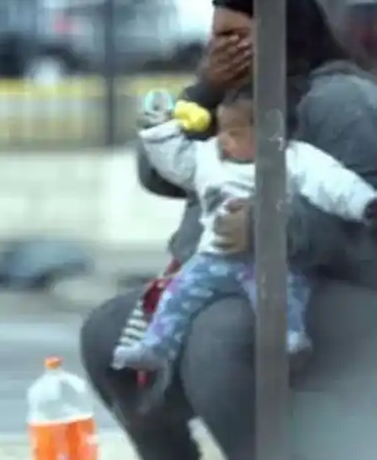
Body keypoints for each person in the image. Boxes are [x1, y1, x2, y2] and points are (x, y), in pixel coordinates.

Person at [79, 0, 377, 460]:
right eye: (214, 38)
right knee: (107, 332)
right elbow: (158, 173)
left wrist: (273, 228)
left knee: (218, 337)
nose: (221, 51)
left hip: (330, 291)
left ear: (283, 35)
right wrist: (203, 91)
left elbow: (366, 221)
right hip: (221, 275)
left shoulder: (341, 102)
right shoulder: (232, 100)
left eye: (236, 37)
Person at [113, 88, 377, 375]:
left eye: (234, 133)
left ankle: (290, 338)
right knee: (177, 295)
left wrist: (365, 204)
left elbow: (334, 184)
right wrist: (160, 128)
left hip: (269, 259)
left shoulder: (296, 160)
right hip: (214, 258)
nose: (222, 140)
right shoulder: (208, 159)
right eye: (221, 130)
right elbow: (175, 161)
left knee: (284, 292)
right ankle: (156, 347)